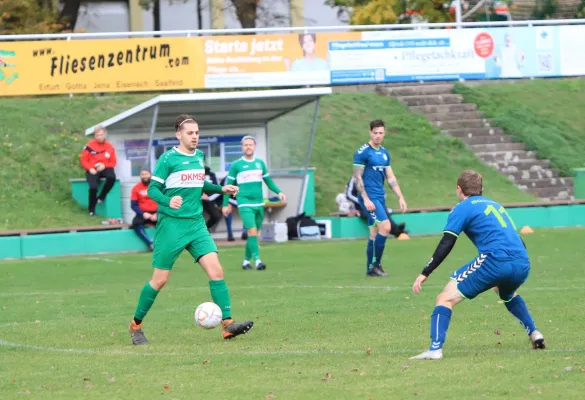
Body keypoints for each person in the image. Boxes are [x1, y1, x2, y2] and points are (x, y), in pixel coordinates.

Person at [128, 114, 254, 345]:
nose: (194, 136)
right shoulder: (168, 159)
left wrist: (221, 189)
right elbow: (154, 190)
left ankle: (227, 325)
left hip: (196, 224)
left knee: (216, 271)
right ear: (179, 134)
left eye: (197, 133)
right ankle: (136, 326)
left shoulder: (198, 156)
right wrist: (168, 201)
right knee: (160, 280)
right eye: (190, 133)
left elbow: (199, 182)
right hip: (171, 226)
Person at [410, 170, 545, 360]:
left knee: (445, 298)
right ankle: (534, 332)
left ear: (459, 189)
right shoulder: (495, 205)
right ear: (480, 189)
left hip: (496, 261)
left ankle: (435, 349)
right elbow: (517, 239)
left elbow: (447, 242)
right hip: (522, 262)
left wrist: (426, 272)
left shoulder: (462, 208)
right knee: (504, 292)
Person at [353, 119, 407, 277]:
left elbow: (390, 177)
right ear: (370, 133)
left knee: (374, 233)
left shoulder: (384, 153)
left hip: (379, 197)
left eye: (380, 133)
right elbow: (357, 178)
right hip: (369, 198)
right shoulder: (363, 152)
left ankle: (371, 269)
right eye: (375, 133)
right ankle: (376, 265)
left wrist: (400, 197)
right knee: (386, 227)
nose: (378, 136)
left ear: (384, 133)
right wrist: (366, 199)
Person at [222, 136, 286, 270]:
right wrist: (225, 203)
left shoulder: (260, 164)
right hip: (244, 203)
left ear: (254, 147)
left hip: (259, 203)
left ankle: (246, 261)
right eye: (245, 145)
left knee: (253, 234)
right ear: (242, 147)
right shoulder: (236, 165)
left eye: (250, 144)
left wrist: (279, 192)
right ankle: (257, 261)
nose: (248, 147)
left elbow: (268, 181)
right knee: (251, 230)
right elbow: (228, 185)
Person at [80, 125, 117, 216]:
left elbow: (114, 162)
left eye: (101, 135)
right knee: (93, 187)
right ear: (95, 136)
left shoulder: (109, 146)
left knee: (111, 177)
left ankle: (102, 196)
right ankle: (91, 209)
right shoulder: (89, 146)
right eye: (97, 135)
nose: (100, 137)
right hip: (93, 168)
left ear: (104, 134)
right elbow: (83, 160)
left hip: (105, 167)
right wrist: (90, 168)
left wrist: (104, 165)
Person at [130, 169, 158, 251]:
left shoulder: (157, 187)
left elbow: (163, 202)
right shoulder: (136, 188)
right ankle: (150, 243)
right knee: (136, 223)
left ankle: (163, 244)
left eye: (146, 174)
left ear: (151, 175)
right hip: (143, 213)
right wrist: (143, 213)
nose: (145, 176)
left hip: (157, 212)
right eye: (142, 174)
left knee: (166, 223)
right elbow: (133, 205)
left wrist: (157, 213)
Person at [202, 161, 223, 232]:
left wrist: (209, 198)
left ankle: (204, 231)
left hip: (208, 201)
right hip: (194, 199)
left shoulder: (211, 174)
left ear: (205, 163)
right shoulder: (190, 173)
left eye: (202, 162)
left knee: (217, 215)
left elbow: (218, 189)